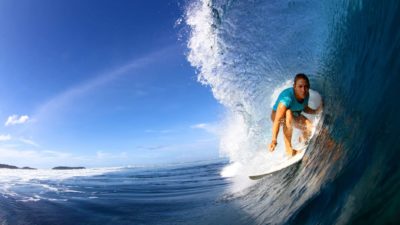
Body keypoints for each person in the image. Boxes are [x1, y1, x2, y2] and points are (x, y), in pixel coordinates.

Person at [268, 73, 322, 156]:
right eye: (300, 86)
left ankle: (302, 139)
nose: (303, 90)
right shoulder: (286, 99)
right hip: (277, 115)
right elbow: (277, 121)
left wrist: (315, 111)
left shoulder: (306, 94)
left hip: (293, 113)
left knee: (310, 128)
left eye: (306, 86)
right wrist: (274, 140)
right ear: (294, 86)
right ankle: (289, 149)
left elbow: (304, 107)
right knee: (288, 114)